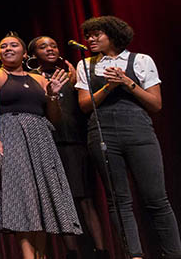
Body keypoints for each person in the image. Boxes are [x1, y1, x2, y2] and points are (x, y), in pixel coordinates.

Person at [74, 16, 181, 259]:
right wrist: (108, 87)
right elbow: (84, 105)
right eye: (88, 35)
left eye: (96, 34)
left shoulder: (141, 60)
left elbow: (155, 104)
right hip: (102, 133)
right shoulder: (86, 65)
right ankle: (133, 255)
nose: (90, 39)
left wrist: (127, 82)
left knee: (156, 198)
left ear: (113, 35)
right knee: (119, 201)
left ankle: (173, 253)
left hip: (138, 131)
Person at [0, 32, 81, 259]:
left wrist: (53, 96)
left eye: (14, 45)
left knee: (41, 196)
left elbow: (53, 117)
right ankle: (27, 255)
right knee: (22, 196)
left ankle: (41, 255)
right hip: (10, 133)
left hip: (40, 136)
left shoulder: (40, 80)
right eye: (3, 46)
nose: (8, 48)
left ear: (25, 53)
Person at [27, 36, 108, 259]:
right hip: (51, 146)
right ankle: (72, 253)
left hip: (76, 143)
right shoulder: (33, 80)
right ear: (34, 55)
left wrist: (75, 84)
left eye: (53, 45)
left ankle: (101, 252)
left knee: (86, 200)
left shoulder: (73, 76)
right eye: (43, 47)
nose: (50, 49)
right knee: (61, 202)